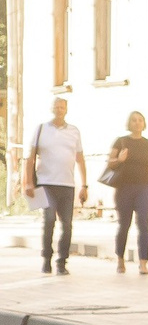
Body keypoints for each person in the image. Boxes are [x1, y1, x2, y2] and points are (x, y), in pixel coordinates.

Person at [21, 97, 85, 273]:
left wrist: (84, 185)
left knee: (67, 224)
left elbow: (80, 158)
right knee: (49, 220)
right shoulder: (41, 129)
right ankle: (46, 258)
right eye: (56, 107)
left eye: (62, 107)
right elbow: (30, 157)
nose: (59, 109)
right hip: (46, 183)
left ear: (66, 110)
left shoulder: (74, 131)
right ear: (52, 109)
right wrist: (28, 182)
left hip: (67, 184)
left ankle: (62, 261)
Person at [104, 111, 148, 274]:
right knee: (124, 224)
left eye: (140, 120)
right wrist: (120, 159)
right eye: (134, 120)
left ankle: (143, 262)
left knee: (143, 223)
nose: (137, 123)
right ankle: (120, 259)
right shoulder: (121, 141)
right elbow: (110, 162)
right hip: (124, 188)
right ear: (129, 123)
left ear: (144, 123)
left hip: (144, 187)